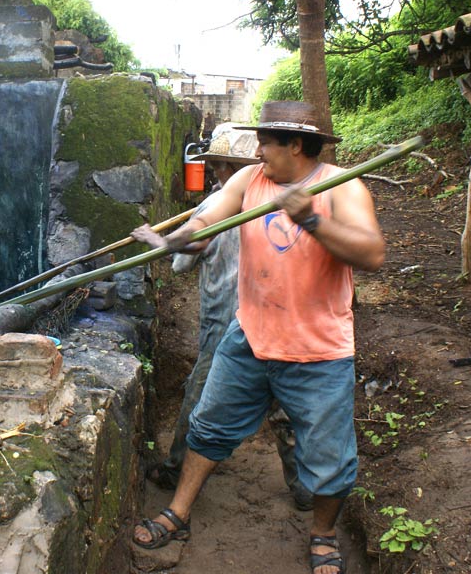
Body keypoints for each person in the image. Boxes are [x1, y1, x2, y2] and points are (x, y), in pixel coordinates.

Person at [132, 101, 385, 574]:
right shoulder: (250, 181)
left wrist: (311, 218)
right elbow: (209, 221)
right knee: (208, 427)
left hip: (318, 351)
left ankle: (324, 535)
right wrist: (184, 237)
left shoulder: (343, 187)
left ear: (295, 144)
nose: (258, 150)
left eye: (266, 142)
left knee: (330, 458)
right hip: (248, 336)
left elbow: (372, 254)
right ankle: (180, 512)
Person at [134, 127, 314, 512]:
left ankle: (175, 468)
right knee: (283, 400)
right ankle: (302, 485)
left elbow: (183, 261)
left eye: (219, 166)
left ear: (229, 168)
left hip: (225, 317)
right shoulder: (282, 202)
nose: (217, 173)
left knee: (202, 394)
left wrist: (153, 239)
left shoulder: (215, 208)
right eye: (216, 166)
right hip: (274, 316)